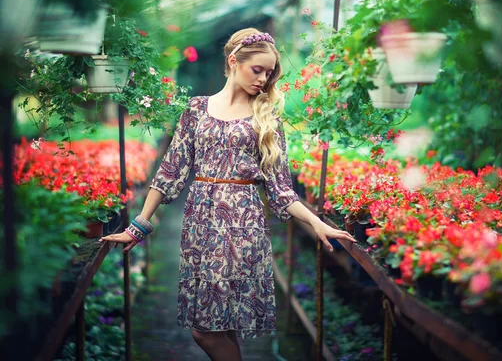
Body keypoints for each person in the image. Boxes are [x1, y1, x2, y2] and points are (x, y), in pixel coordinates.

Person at [99, 28, 356, 361]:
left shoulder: (266, 119)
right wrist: (139, 225)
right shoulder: (196, 109)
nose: (264, 79)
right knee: (217, 326)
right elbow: (171, 170)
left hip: (242, 228)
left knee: (205, 332)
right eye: (258, 70)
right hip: (199, 228)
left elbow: (281, 189)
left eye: (269, 72)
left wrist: (316, 223)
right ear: (234, 61)